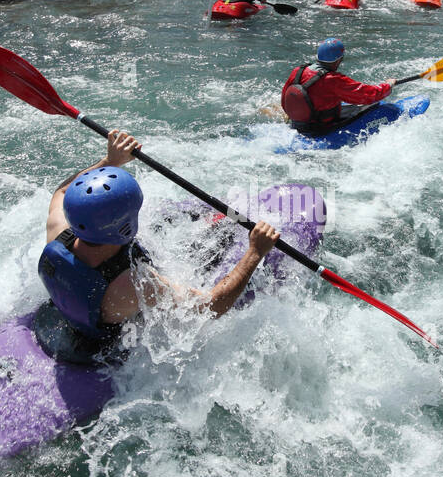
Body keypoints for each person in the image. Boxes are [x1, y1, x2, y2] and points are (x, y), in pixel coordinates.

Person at [35, 130, 280, 364]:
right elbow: (212, 306)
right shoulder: (132, 285)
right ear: (125, 228)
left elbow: (63, 190)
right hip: (104, 343)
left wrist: (111, 161)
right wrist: (255, 252)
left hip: (75, 309)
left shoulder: (58, 231)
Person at [280, 37, 397, 133]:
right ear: (338, 60)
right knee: (376, 105)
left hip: (300, 122)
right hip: (320, 126)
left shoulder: (298, 71)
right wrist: (388, 85)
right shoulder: (333, 80)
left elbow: (285, 97)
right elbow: (367, 95)